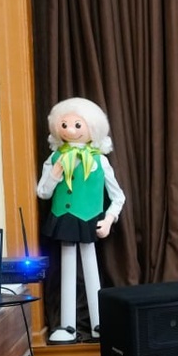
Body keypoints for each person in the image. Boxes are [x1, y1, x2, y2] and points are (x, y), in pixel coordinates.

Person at [36, 97, 126, 343]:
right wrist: (55, 174)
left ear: (92, 128)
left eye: (78, 125)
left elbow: (118, 196)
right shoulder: (54, 159)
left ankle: (98, 322)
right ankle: (67, 325)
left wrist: (109, 219)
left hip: (88, 220)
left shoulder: (99, 161)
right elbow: (43, 192)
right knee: (67, 268)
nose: (70, 130)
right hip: (63, 218)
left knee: (91, 267)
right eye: (64, 124)